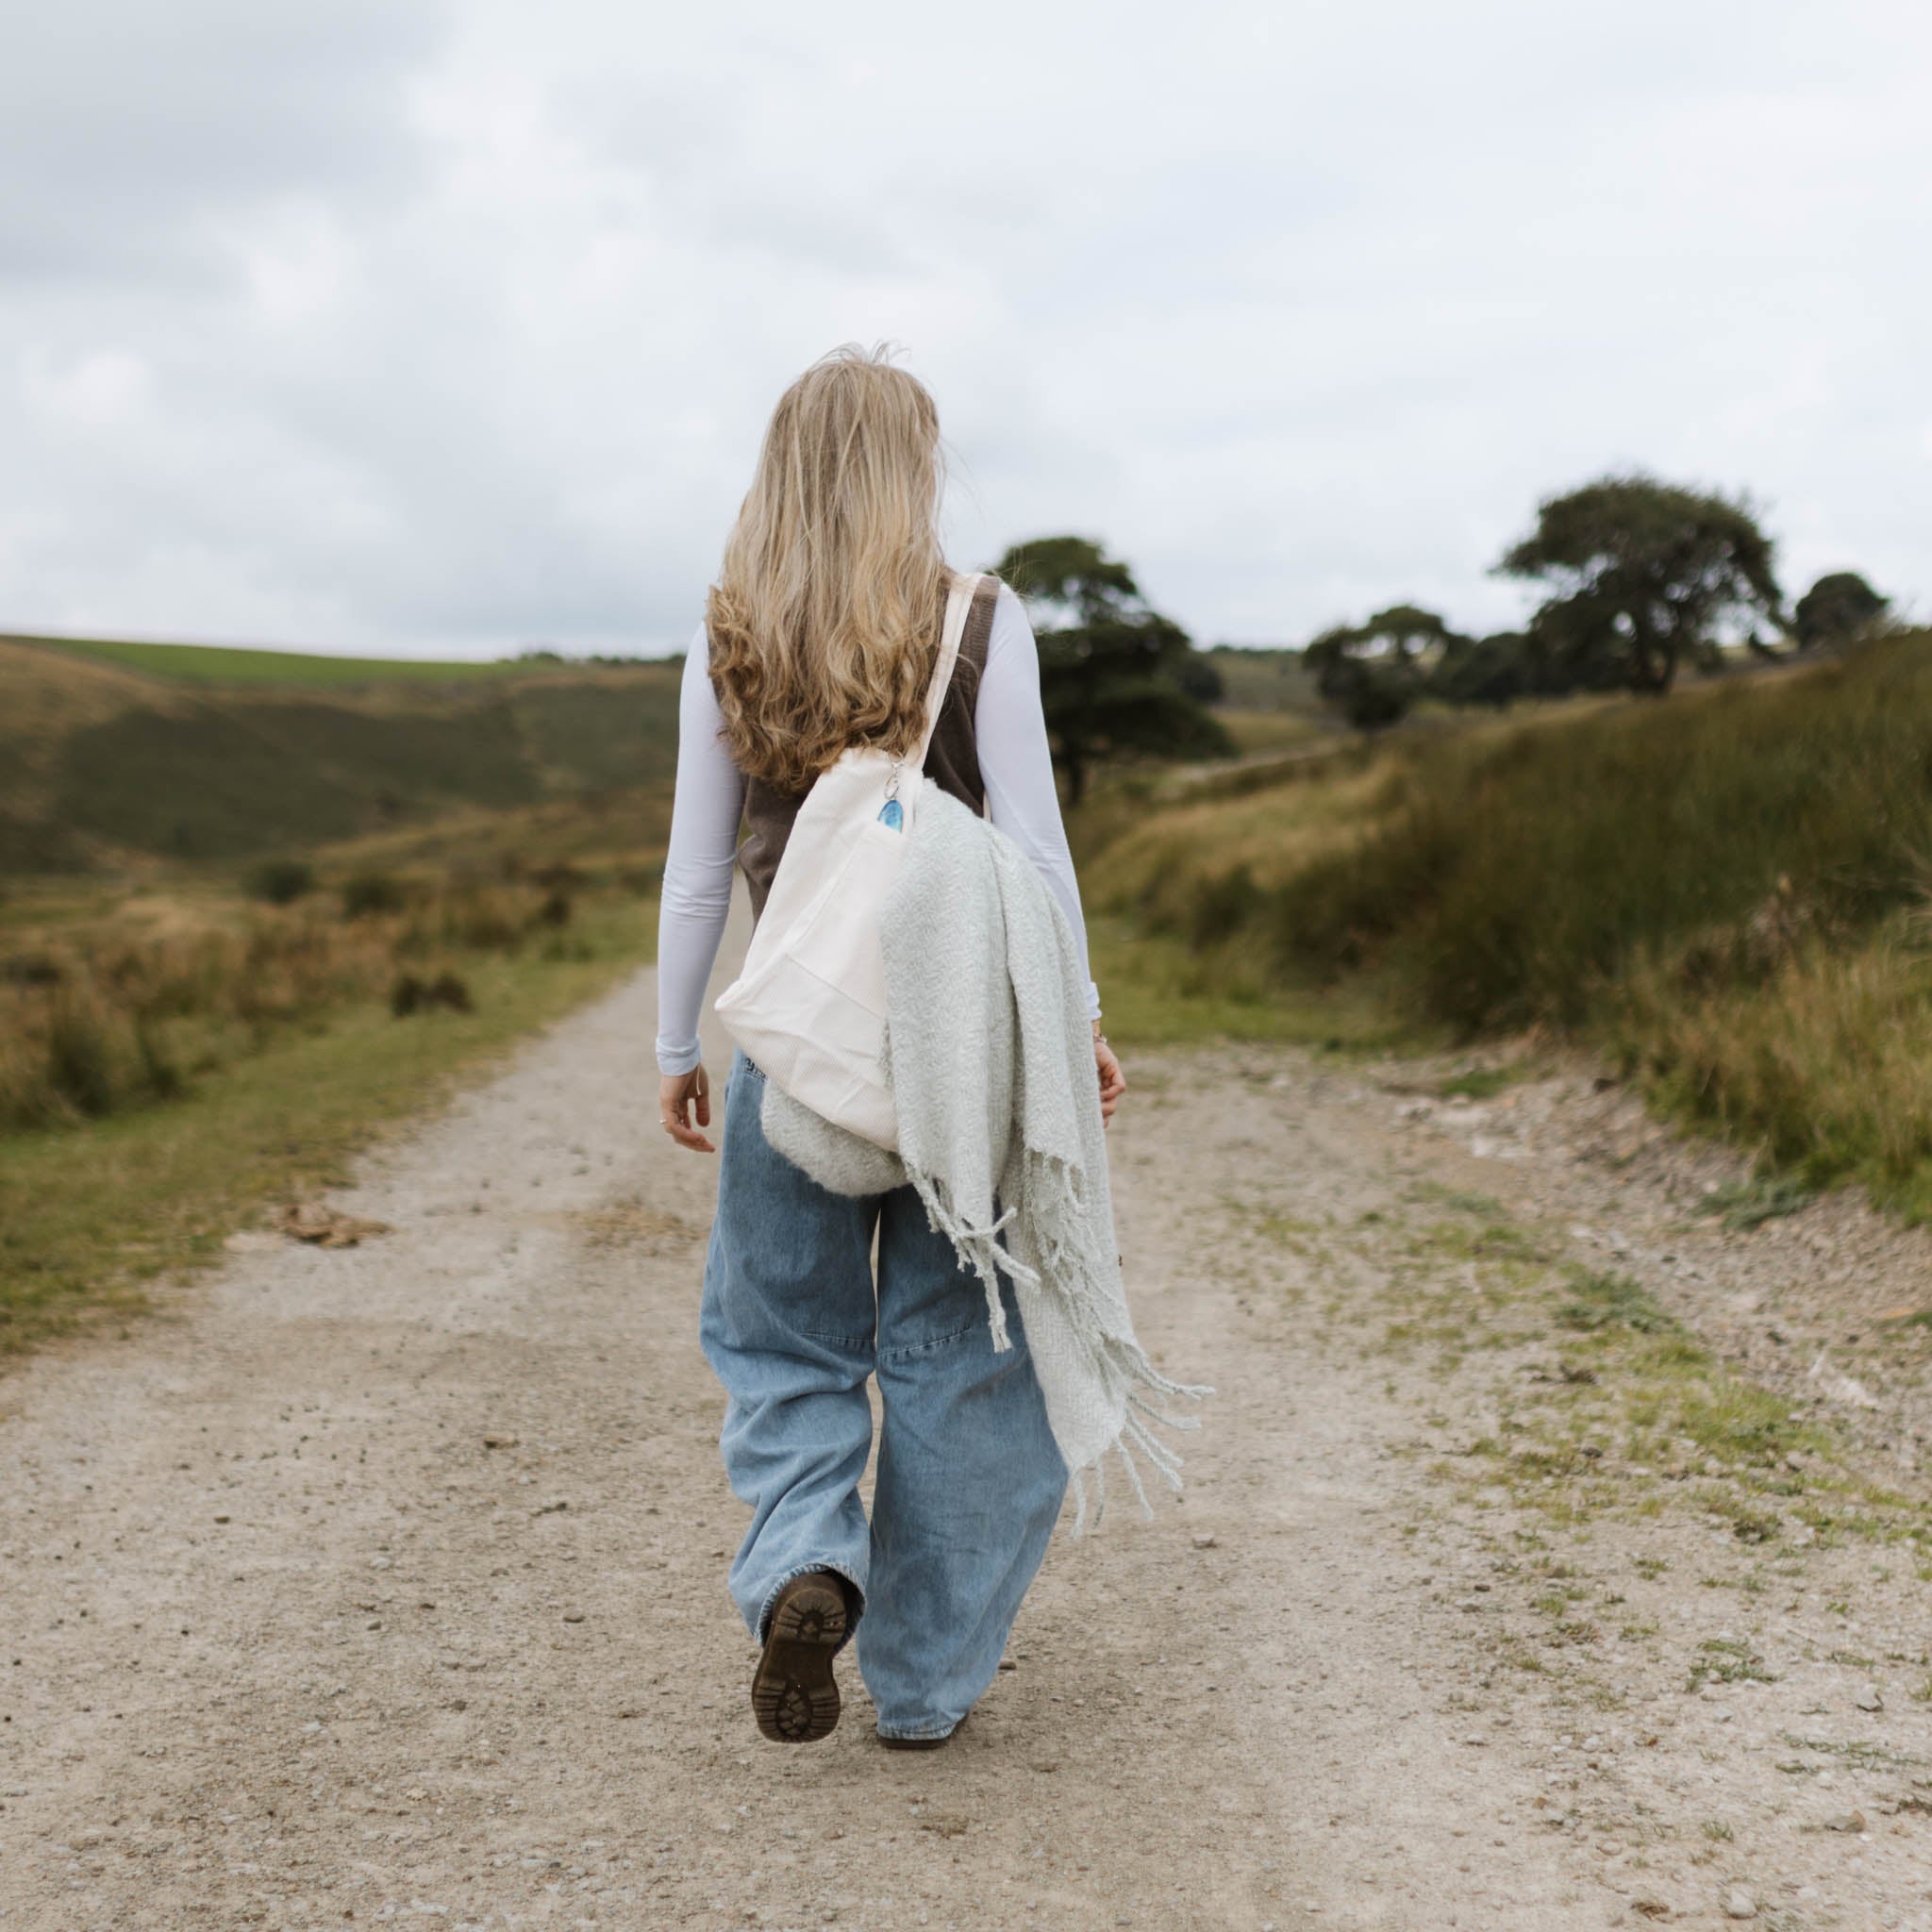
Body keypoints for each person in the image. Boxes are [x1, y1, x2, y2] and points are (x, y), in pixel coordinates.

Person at [655, 342, 1125, 1750]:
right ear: (914, 471)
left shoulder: (731, 628)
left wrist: (680, 1039)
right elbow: (1037, 850)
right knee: (965, 1357)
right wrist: (1082, 1023)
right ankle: (921, 1688)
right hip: (959, 1061)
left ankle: (808, 1552)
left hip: (794, 1056)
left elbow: (693, 870)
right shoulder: (982, 619)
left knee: (780, 1338)